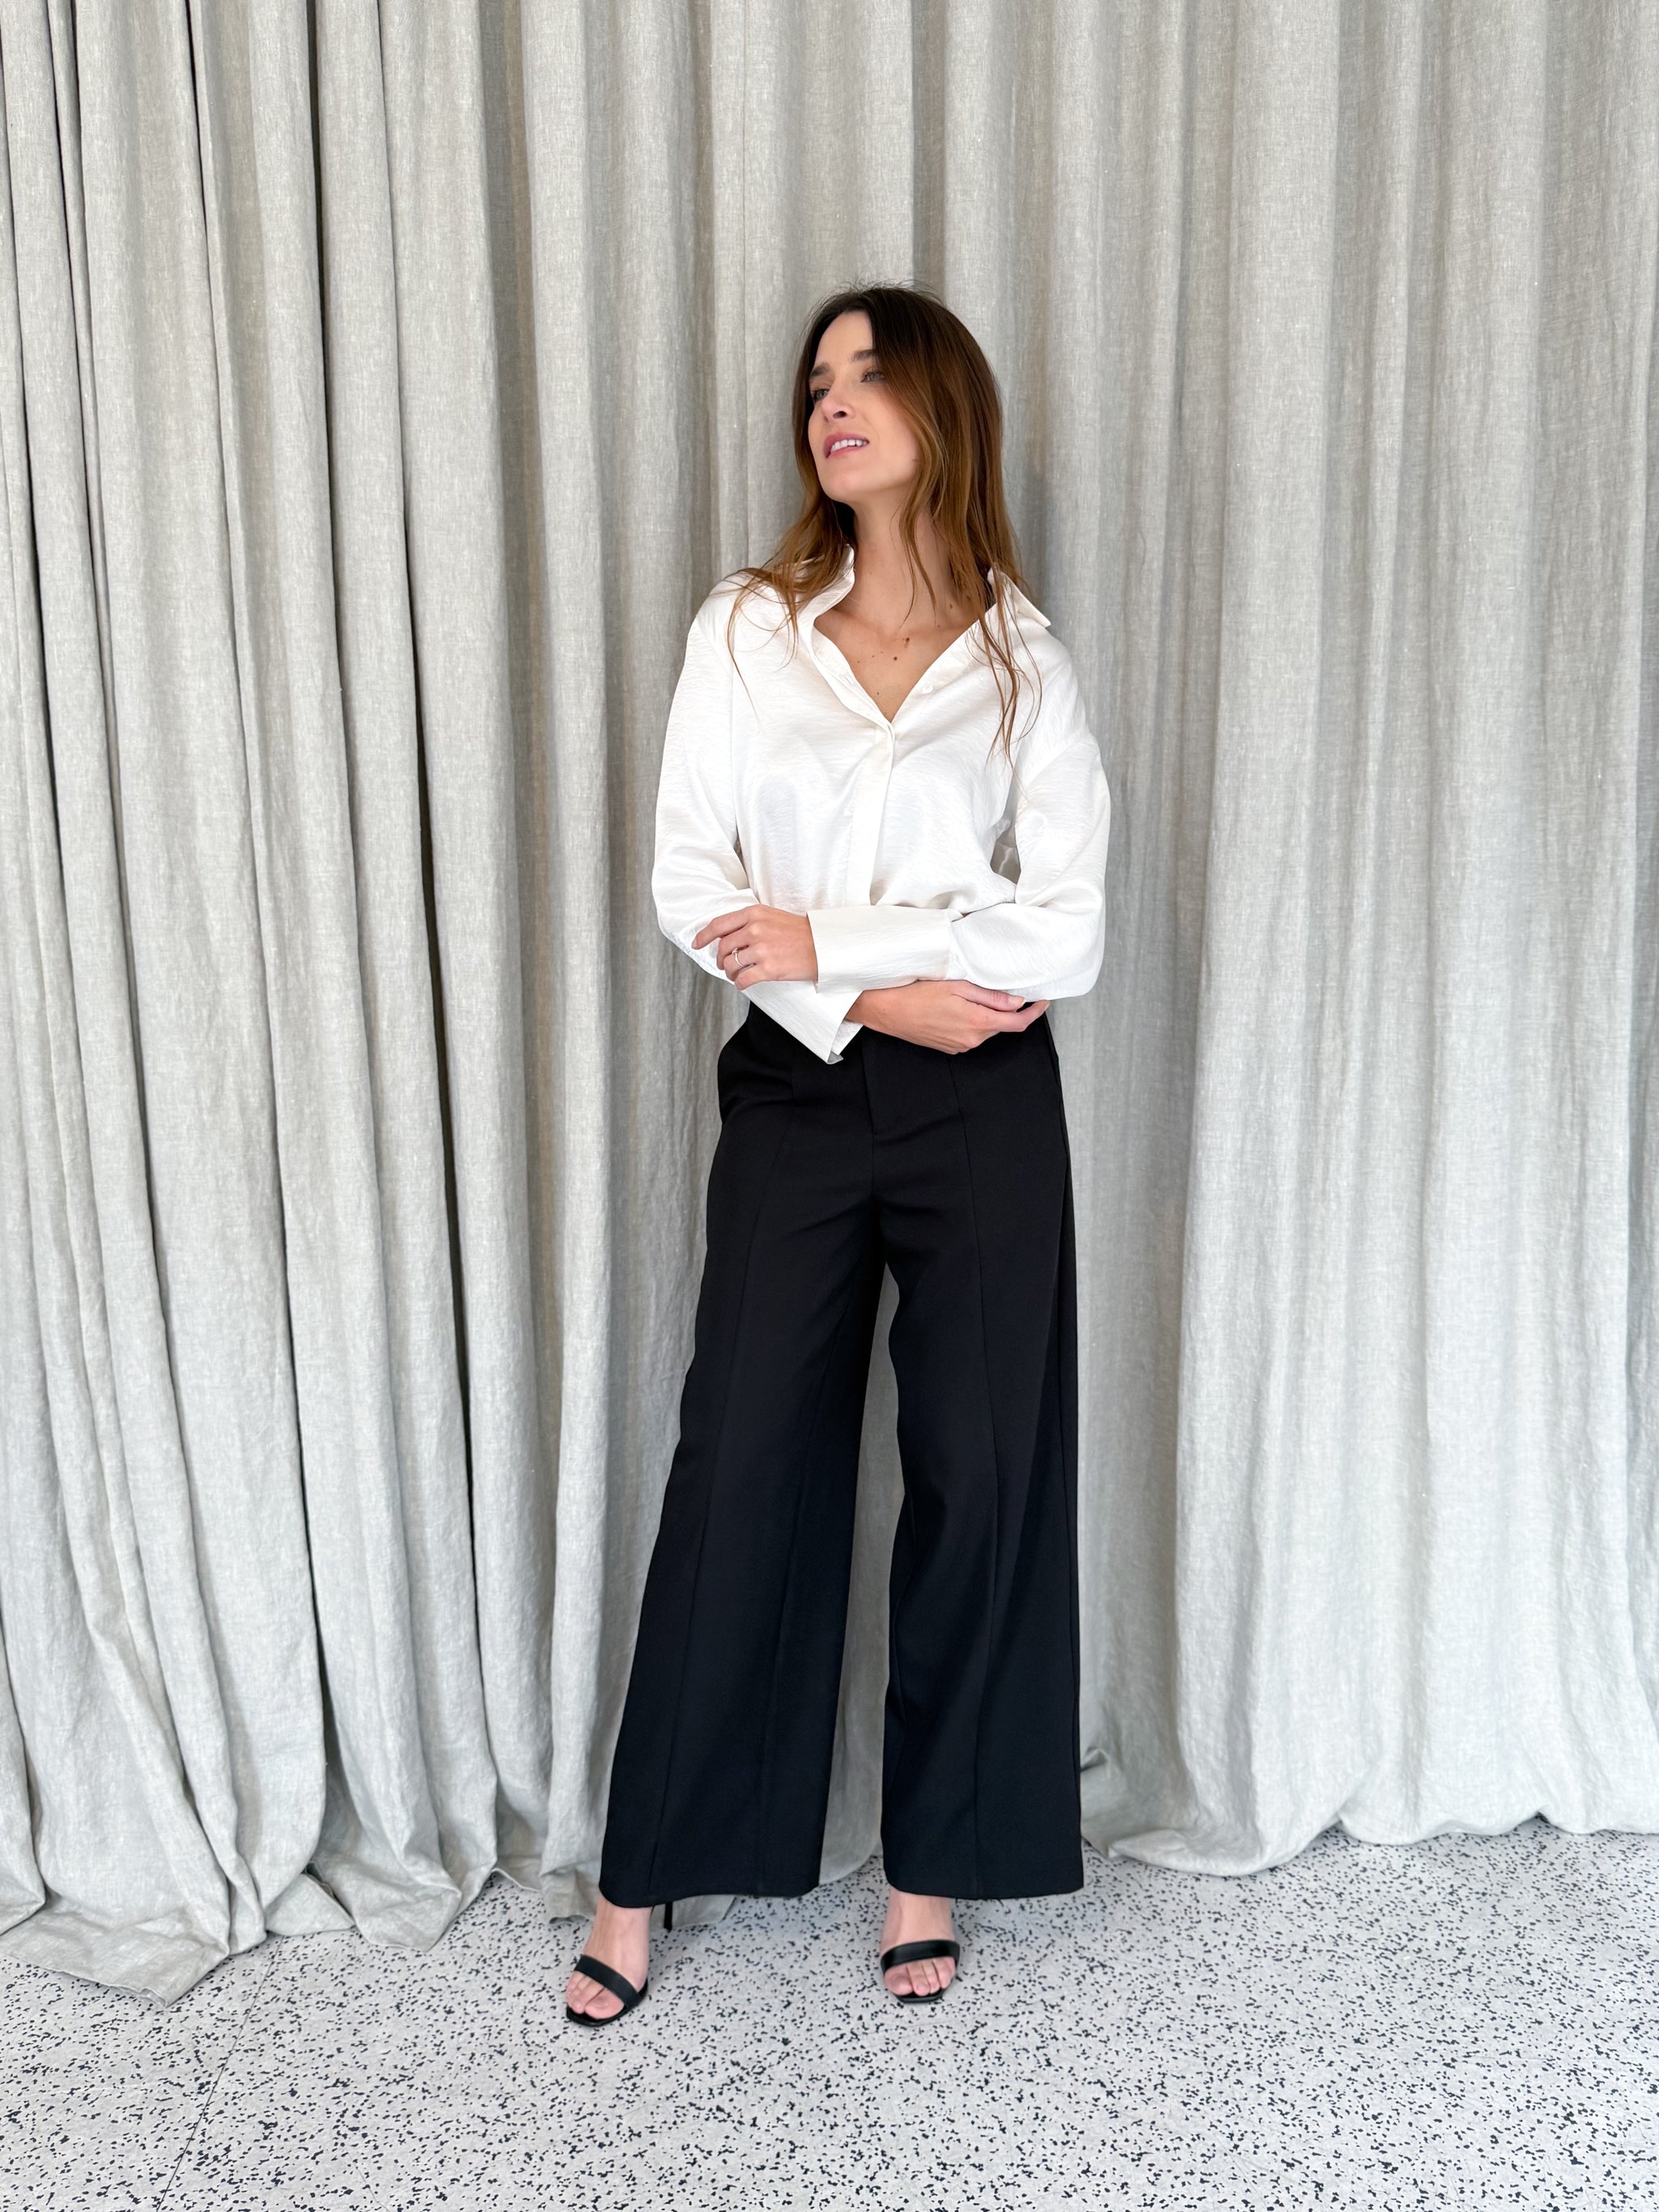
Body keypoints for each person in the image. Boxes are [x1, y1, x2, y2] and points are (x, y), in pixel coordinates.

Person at [565, 283, 1111, 2024]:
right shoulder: (749, 631)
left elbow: (1068, 930)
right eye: (817, 381)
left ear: (946, 409)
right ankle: (643, 1868)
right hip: (805, 1088)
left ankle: (930, 1864)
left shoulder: (1021, 662)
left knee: (981, 1469)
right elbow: (694, 882)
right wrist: (875, 986)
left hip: (986, 1099)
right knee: (741, 1460)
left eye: (869, 374)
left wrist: (836, 941)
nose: (833, 403)